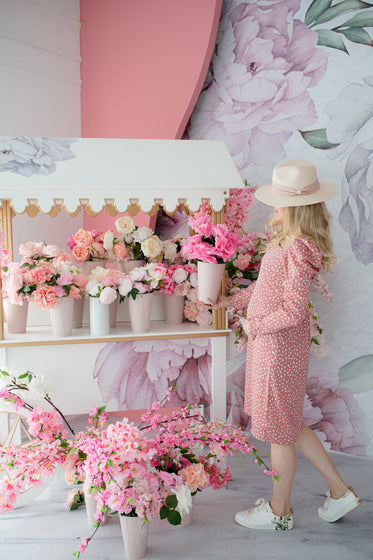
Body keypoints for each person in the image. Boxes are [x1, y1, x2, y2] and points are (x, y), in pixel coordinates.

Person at [230, 160, 361, 531]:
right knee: (289, 424)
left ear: (297, 206)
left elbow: (292, 309)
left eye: (279, 200)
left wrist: (253, 324)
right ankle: (340, 492)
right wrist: (233, 302)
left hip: (276, 349)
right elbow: (266, 289)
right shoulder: (287, 243)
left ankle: (278, 511)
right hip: (272, 347)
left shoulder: (298, 248)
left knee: (278, 431)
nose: (274, 205)